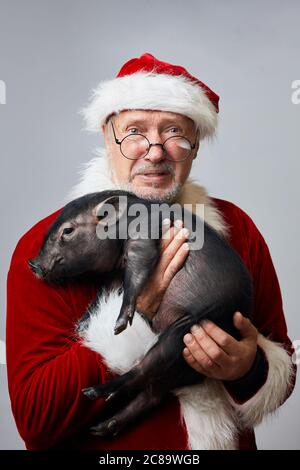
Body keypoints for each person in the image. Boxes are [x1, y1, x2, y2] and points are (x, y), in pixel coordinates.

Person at [6, 52, 296, 450]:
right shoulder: (51, 249)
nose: (155, 152)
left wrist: (247, 369)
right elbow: (37, 419)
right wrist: (138, 312)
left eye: (174, 132)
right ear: (108, 137)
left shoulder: (237, 228)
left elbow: (282, 369)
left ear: (194, 146)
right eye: (134, 132)